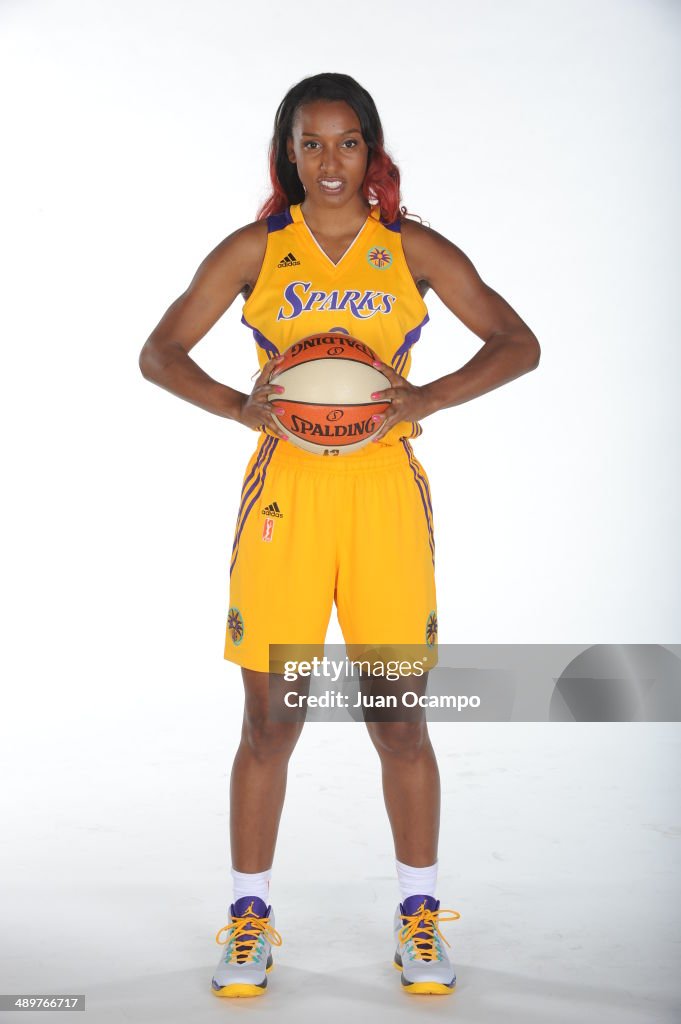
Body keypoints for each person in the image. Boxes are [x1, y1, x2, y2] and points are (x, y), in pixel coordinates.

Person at [139, 71, 540, 999]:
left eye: (347, 141)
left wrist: (428, 396)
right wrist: (239, 409)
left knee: (397, 720)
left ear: (373, 150)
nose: (330, 161)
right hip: (285, 499)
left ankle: (418, 917)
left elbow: (516, 342)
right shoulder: (255, 250)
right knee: (271, 720)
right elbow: (160, 353)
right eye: (311, 143)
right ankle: (249, 921)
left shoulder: (410, 250)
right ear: (287, 151)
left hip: (382, 497)